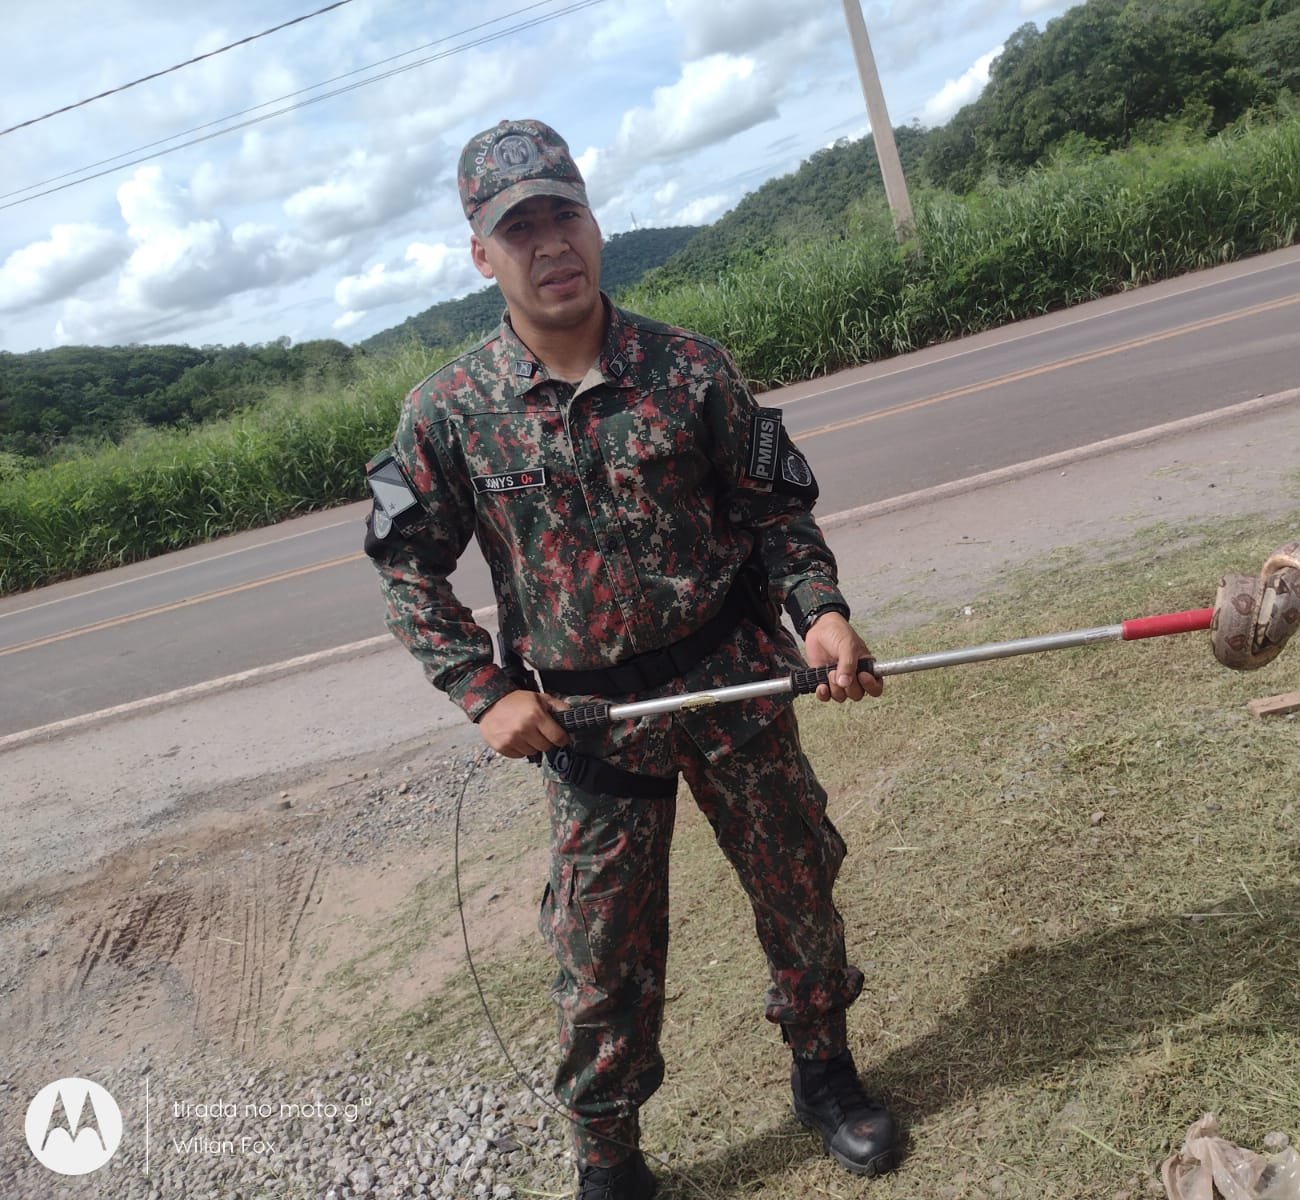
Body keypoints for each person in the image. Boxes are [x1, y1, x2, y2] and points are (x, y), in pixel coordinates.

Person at [363, 119, 897, 1200]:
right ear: (483, 255)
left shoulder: (691, 368)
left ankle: (824, 1073)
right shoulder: (449, 412)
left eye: (564, 212)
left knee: (799, 886)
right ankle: (609, 1155)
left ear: (593, 223)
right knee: (600, 953)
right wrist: (484, 690)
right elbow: (404, 570)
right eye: (521, 228)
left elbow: (775, 513)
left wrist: (821, 612)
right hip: (590, 722)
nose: (549, 242)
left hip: (734, 681)